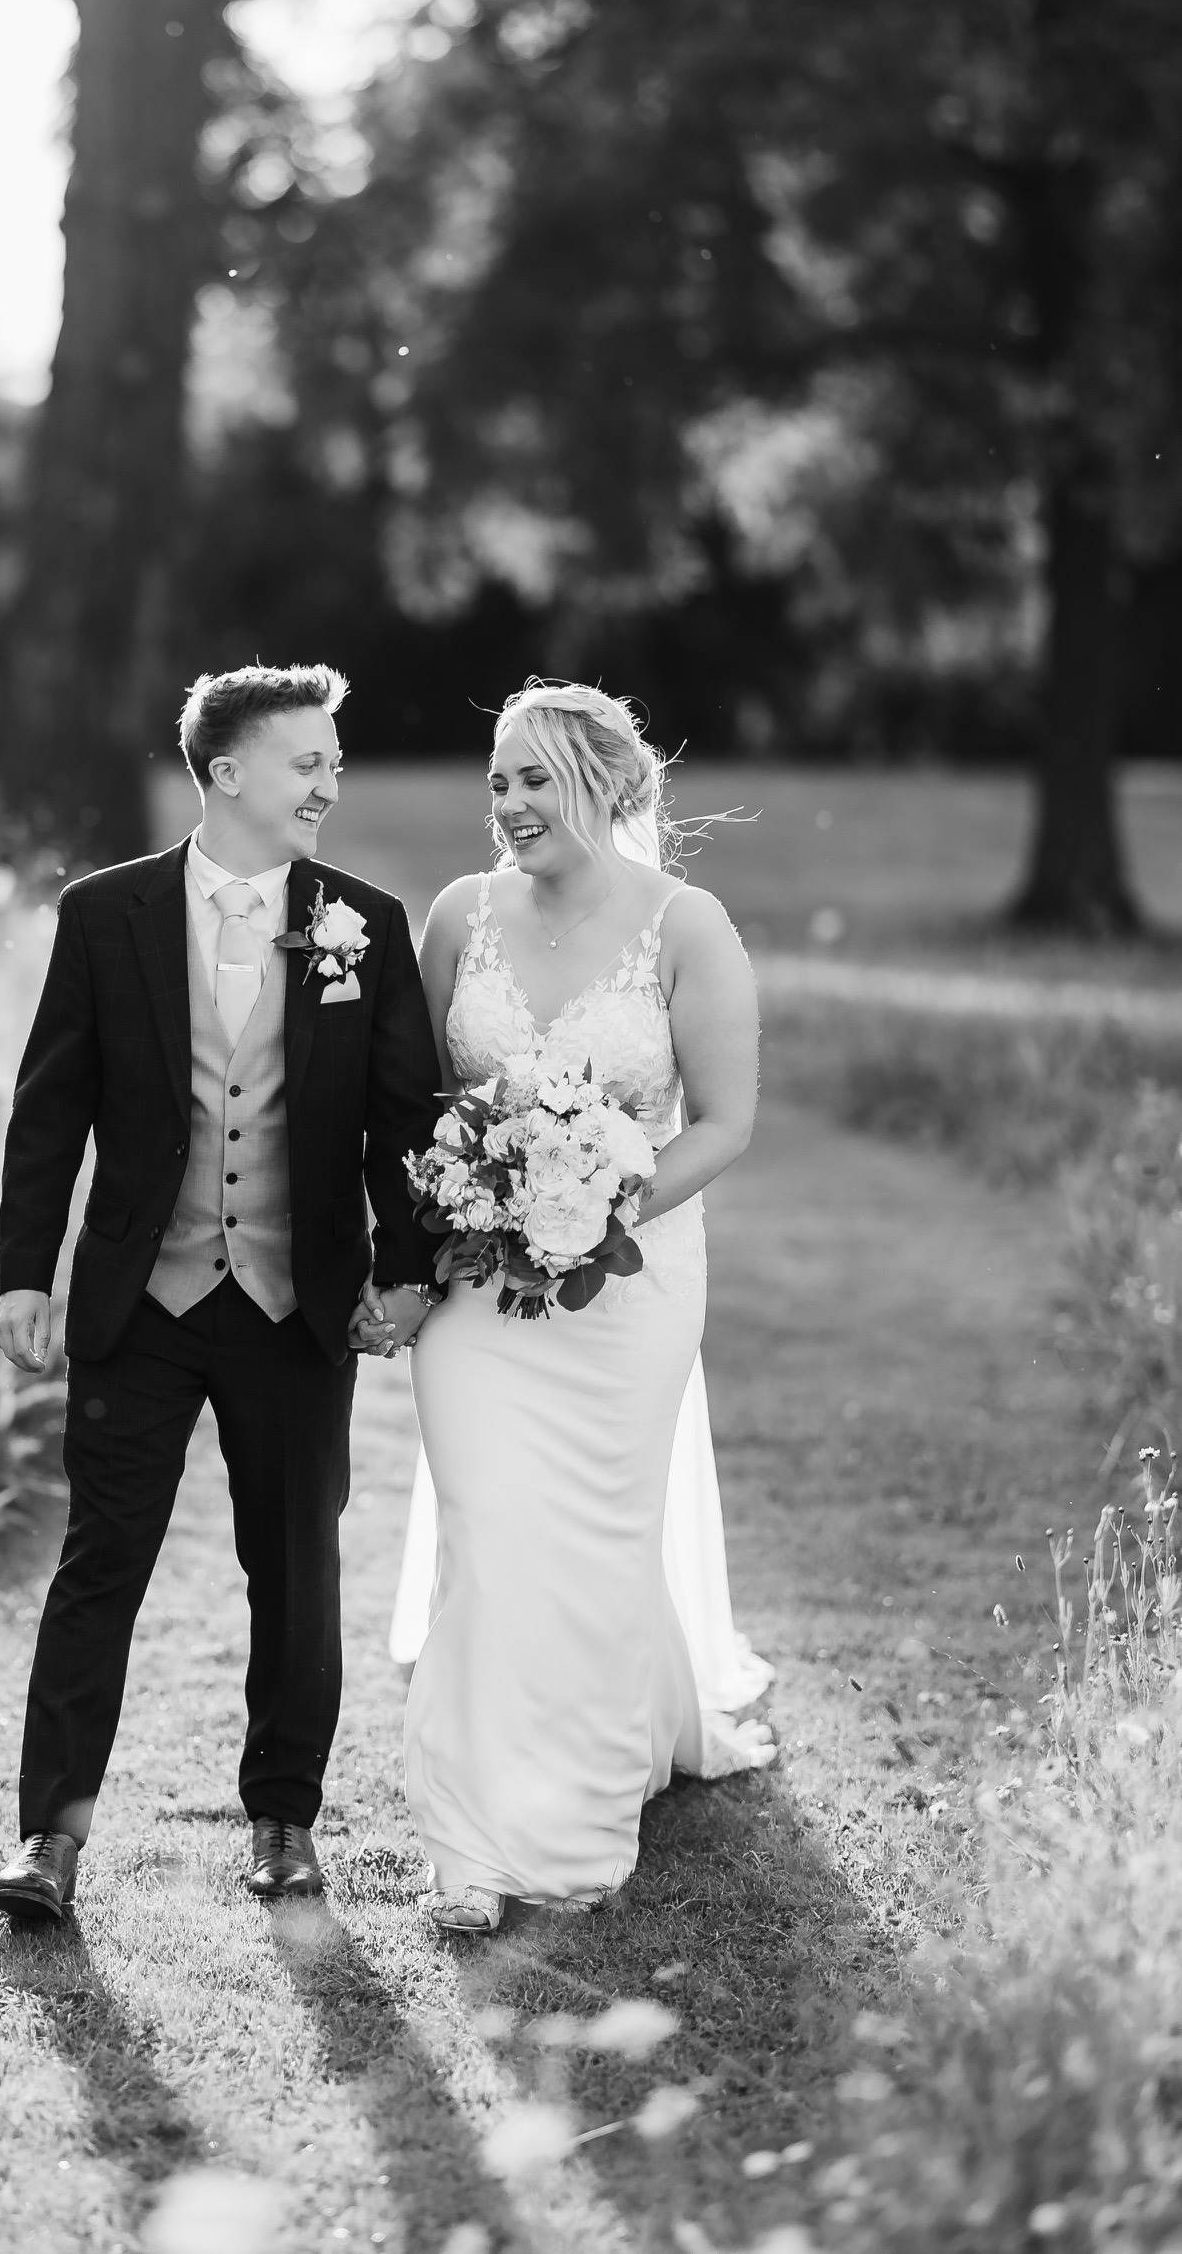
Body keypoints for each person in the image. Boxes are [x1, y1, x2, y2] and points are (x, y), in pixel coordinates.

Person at [0, 663, 443, 1924]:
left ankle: (285, 1824)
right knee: (101, 1565)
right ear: (227, 773)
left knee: (295, 1570)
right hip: (142, 1301)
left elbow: (401, 1127)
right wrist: (27, 1273)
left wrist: (405, 1275)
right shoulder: (107, 913)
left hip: (295, 1308)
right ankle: (50, 1840)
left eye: (334, 763)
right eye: (310, 762)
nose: (330, 784)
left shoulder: (366, 923)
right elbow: (49, 1109)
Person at [401, 680, 775, 1933]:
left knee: (598, 1537)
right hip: (478, 1292)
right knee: (488, 1531)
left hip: (632, 1282)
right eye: (497, 780)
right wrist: (468, 1216)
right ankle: (465, 1838)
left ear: (607, 788)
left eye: (534, 779)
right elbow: (409, 1104)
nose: (508, 805)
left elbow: (724, 1122)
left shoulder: (687, 924)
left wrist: (594, 1215)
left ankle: (576, 1816)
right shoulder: (460, 916)